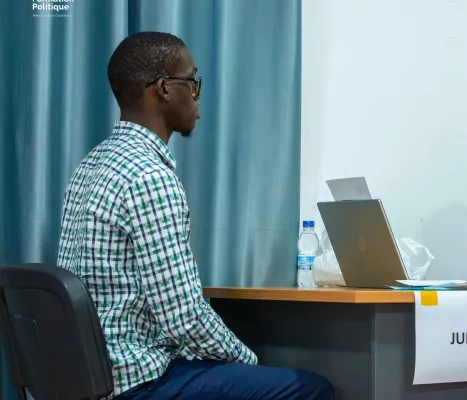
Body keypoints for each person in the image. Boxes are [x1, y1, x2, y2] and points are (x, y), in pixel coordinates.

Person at [57, 31, 334, 400]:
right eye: (192, 82)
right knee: (310, 390)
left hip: (87, 379)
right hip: (137, 382)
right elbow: (183, 316)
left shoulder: (90, 165)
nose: (197, 97)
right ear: (165, 89)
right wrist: (247, 360)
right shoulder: (149, 177)